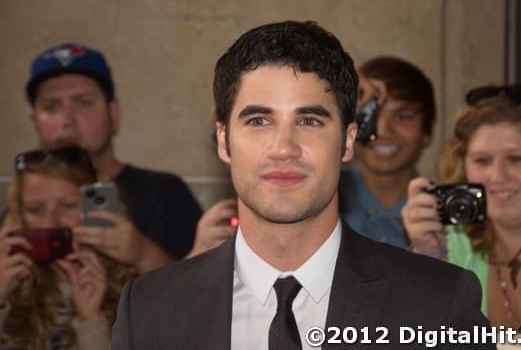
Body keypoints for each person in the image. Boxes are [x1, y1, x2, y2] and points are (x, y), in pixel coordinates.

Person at [111, 21, 491, 350]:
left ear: (347, 141)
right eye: (259, 121)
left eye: (309, 121)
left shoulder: (438, 302)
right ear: (224, 141)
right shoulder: (148, 310)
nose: (283, 148)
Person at [25, 43, 234, 259]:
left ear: (113, 114)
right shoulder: (22, 200)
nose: (67, 120)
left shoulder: (163, 194)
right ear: (34, 120)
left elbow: (199, 284)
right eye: (51, 107)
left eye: (84, 103)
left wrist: (142, 253)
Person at [402, 84, 521, 333]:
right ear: (463, 166)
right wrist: (426, 257)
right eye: (482, 161)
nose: (497, 176)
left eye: (516, 159)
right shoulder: (453, 244)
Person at [0, 145, 140, 349]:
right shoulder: (9, 279)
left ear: (96, 207)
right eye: (35, 209)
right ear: (20, 215)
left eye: (67, 205)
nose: (52, 222)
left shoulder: (131, 288)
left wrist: (91, 320)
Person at [339, 56, 435, 248]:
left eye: (403, 116)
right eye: (371, 114)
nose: (383, 131)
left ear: (427, 130)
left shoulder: (440, 211)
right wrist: (340, 82)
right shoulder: (320, 200)